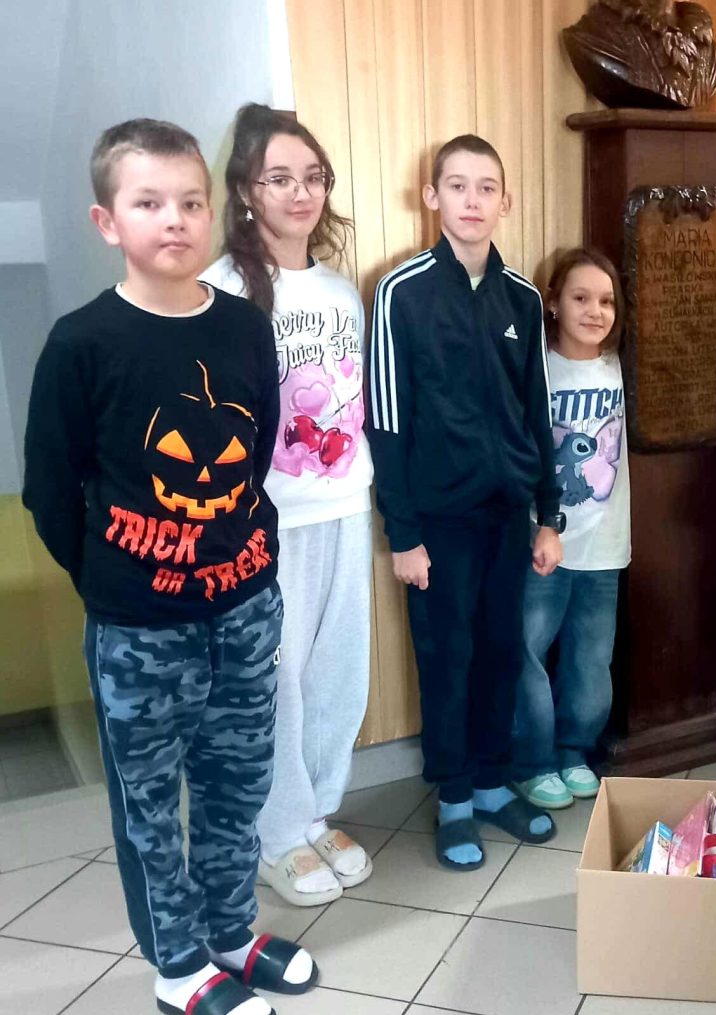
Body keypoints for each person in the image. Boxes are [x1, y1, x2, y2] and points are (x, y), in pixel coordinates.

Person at [22, 118, 317, 1015]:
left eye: (191, 201)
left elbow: (254, 451)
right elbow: (50, 489)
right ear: (108, 221)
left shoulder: (244, 328)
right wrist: (114, 582)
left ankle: (230, 930)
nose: (175, 219)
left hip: (245, 608)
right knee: (151, 804)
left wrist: (247, 567)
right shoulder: (82, 343)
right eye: (148, 202)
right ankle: (179, 963)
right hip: (140, 628)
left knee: (238, 784)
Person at [367, 134, 563, 871]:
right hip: (437, 522)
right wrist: (403, 533)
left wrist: (549, 514)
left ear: (505, 201)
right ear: (432, 197)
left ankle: (489, 782)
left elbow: (536, 412)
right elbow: (386, 421)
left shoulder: (523, 300)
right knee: (447, 656)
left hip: (508, 515)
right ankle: (453, 797)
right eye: (457, 185)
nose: (472, 200)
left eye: (486, 188)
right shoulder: (402, 291)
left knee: (502, 650)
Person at [203, 103, 375, 906]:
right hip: (265, 523)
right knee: (276, 681)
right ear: (246, 190)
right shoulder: (220, 291)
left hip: (345, 504)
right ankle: (275, 832)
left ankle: (315, 812)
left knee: (338, 672)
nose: (300, 192)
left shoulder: (341, 292)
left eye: (313, 177)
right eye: (279, 178)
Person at [511, 248, 630, 810]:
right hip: (544, 541)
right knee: (527, 650)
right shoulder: (534, 365)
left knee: (590, 657)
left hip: (605, 542)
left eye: (606, 301)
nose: (594, 311)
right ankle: (531, 760)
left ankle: (572, 750)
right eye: (581, 298)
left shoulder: (620, 366)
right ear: (553, 303)